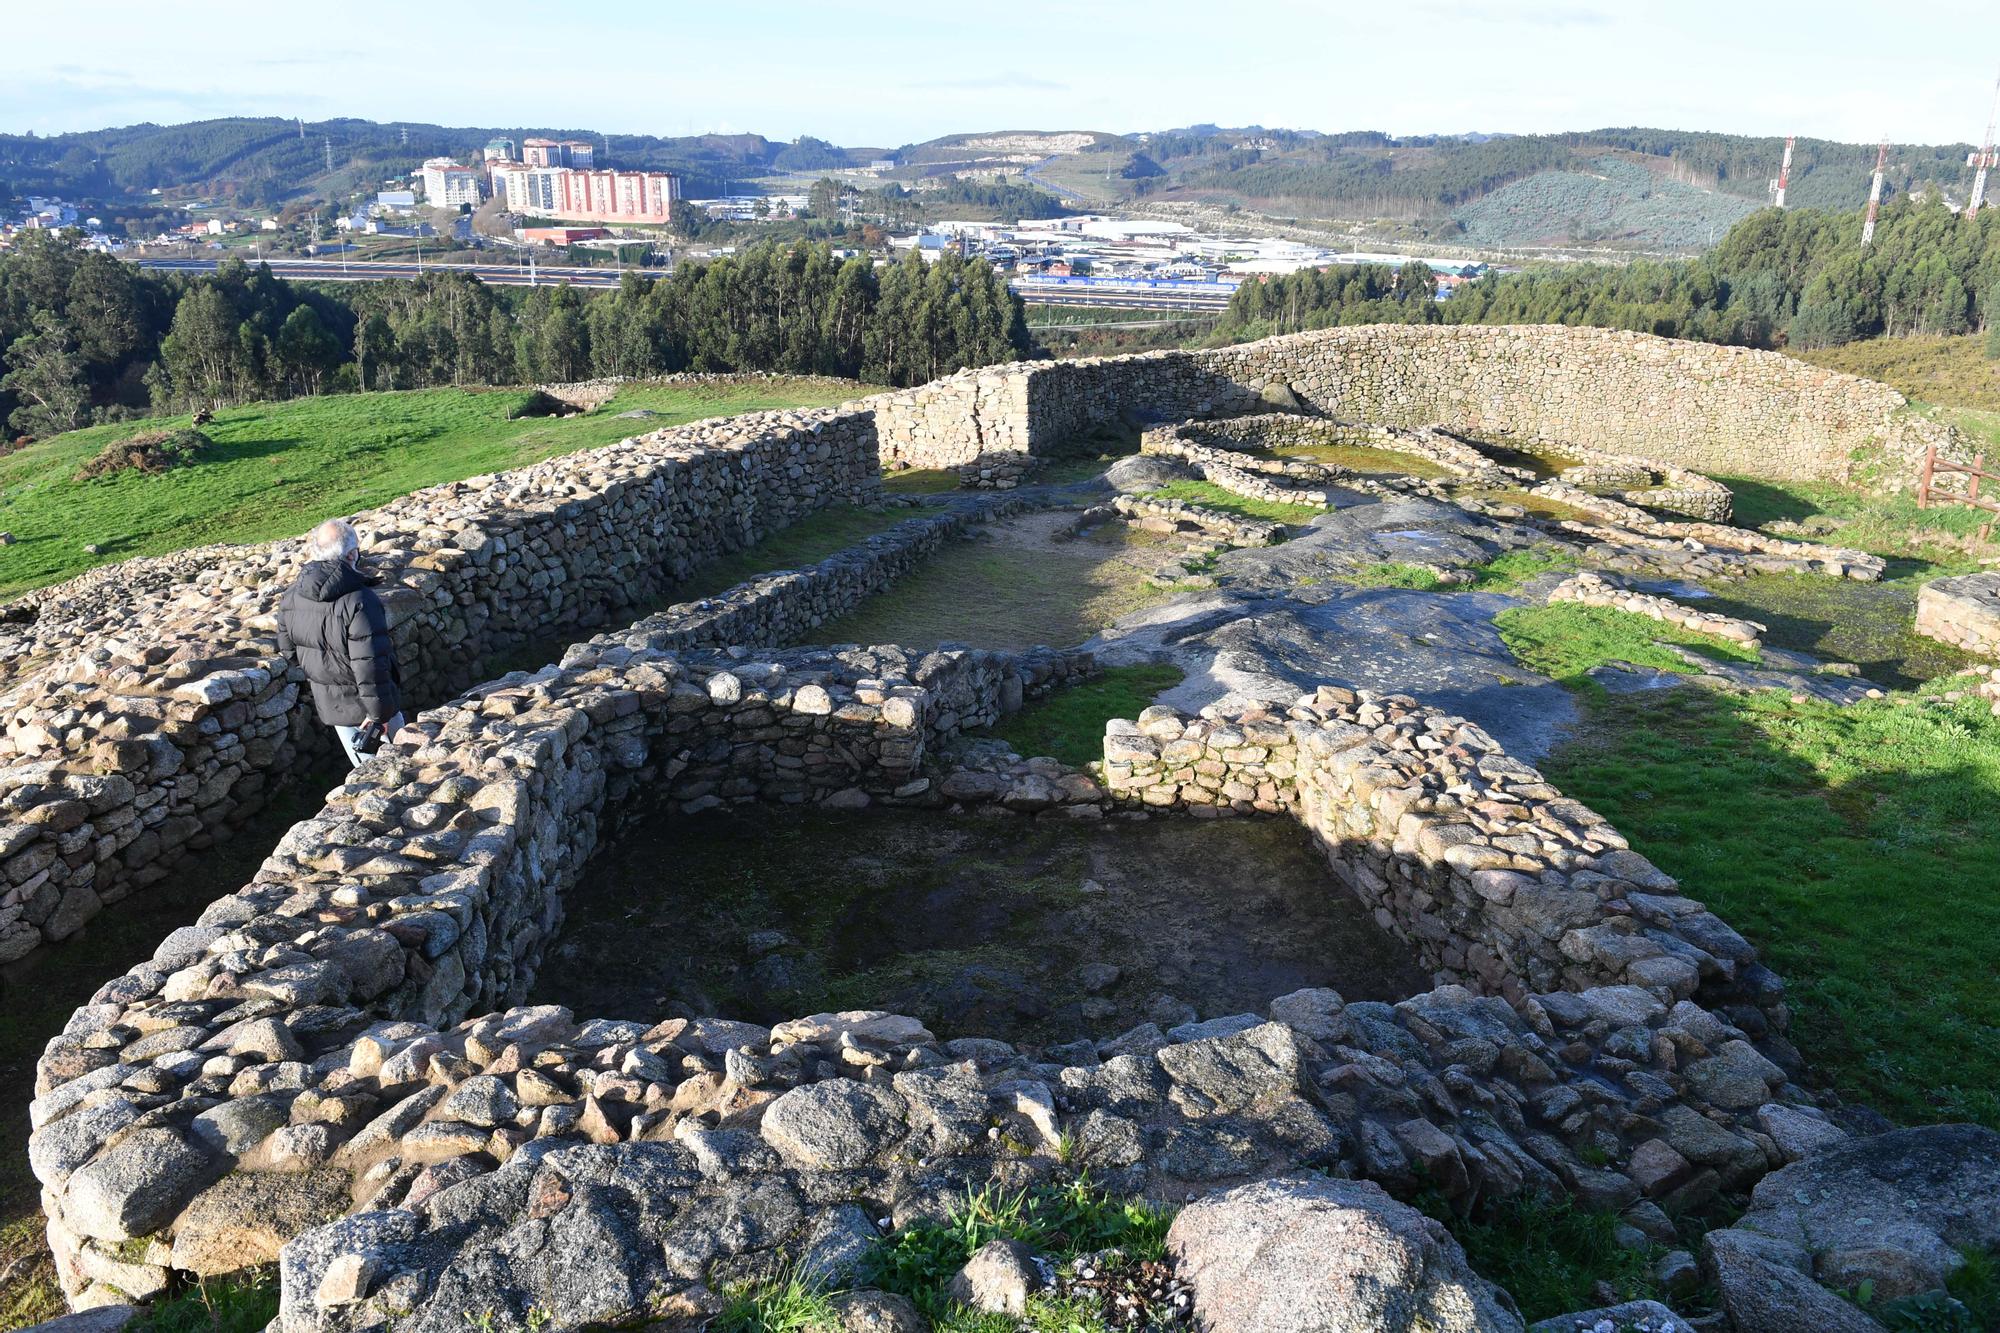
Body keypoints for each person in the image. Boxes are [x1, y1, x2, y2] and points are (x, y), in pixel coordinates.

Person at [276, 518, 405, 767]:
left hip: (332, 703)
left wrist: (326, 671)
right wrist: (379, 716)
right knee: (398, 769)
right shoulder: (359, 599)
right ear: (352, 554)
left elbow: (289, 652)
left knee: (365, 773)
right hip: (372, 708)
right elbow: (370, 664)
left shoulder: (291, 595)